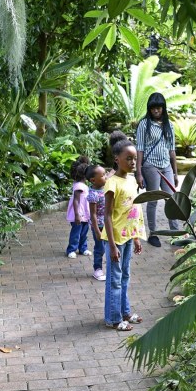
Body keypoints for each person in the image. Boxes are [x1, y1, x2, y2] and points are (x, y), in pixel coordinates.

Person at [102, 136, 145, 331]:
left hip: (128, 236)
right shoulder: (112, 183)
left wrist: (136, 237)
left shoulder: (131, 180)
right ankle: (113, 318)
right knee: (115, 279)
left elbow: (132, 212)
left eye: (134, 158)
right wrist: (111, 246)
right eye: (128, 158)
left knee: (125, 276)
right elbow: (108, 216)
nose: (133, 162)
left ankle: (125, 312)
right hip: (115, 239)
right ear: (116, 159)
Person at [135, 92, 179, 247]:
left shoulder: (169, 125)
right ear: (150, 109)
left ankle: (176, 233)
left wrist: (175, 172)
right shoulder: (144, 124)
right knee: (153, 200)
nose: (156, 111)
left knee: (171, 200)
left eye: (159, 108)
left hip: (166, 165)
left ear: (163, 108)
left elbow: (172, 150)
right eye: (153, 108)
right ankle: (153, 233)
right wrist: (139, 172)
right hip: (150, 166)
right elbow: (139, 149)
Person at [65, 156, 92, 259]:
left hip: (84, 214)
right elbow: (76, 200)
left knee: (84, 233)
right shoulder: (79, 186)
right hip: (79, 214)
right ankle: (71, 250)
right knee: (76, 233)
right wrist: (77, 215)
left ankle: (83, 248)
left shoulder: (81, 184)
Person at [86, 164, 107, 281]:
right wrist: (97, 231)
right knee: (100, 248)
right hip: (99, 225)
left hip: (108, 223)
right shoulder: (93, 194)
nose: (106, 177)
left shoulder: (104, 188)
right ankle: (97, 269)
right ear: (93, 180)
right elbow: (93, 214)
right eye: (103, 175)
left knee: (109, 247)